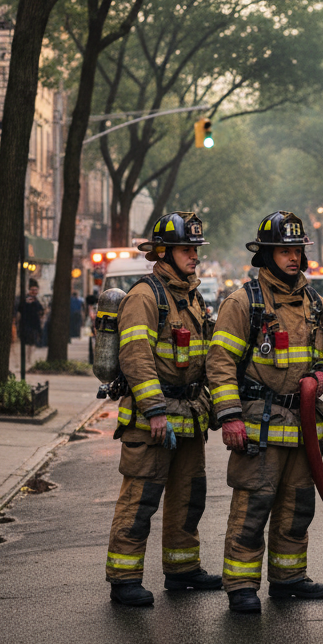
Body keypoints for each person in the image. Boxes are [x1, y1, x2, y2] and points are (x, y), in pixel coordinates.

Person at [208, 211, 323, 614]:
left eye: (298, 251)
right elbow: (219, 363)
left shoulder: (313, 302)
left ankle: (288, 579)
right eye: (284, 251)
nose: (293, 258)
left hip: (303, 428)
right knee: (253, 508)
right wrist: (230, 416)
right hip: (259, 427)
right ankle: (242, 585)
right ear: (265, 255)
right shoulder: (243, 302)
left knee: (298, 508)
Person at [105, 212, 221, 607]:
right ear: (163, 252)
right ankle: (124, 579)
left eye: (196, 249)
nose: (194, 256)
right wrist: (154, 409)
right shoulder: (144, 296)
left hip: (189, 414)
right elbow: (136, 357)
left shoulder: (191, 296)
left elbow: (204, 356)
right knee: (141, 499)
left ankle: (182, 569)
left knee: (190, 497)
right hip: (152, 419)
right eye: (187, 249)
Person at [16, 279, 45, 370]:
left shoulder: (37, 301)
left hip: (34, 324)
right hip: (26, 324)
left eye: (36, 290)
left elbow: (41, 310)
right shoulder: (25, 300)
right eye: (32, 290)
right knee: (27, 343)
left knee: (32, 343)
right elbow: (20, 310)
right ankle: (26, 360)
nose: (34, 292)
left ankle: (29, 359)